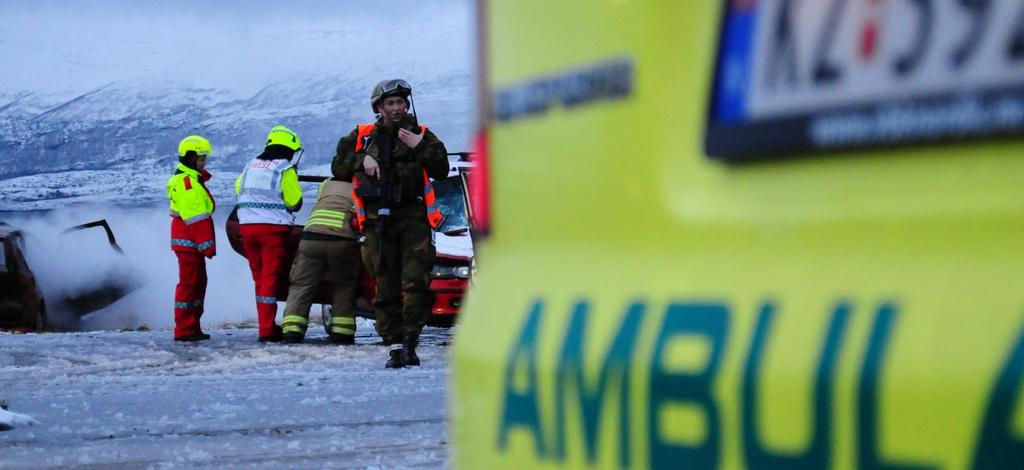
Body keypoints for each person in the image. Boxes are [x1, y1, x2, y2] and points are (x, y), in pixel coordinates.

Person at [332, 78, 449, 368]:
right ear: (379, 107)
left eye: (400, 102)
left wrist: (420, 146)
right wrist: (362, 161)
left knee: (416, 282)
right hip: (376, 223)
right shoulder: (362, 136)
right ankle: (394, 343)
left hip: (413, 220)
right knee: (384, 284)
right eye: (390, 103)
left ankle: (410, 341)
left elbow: (441, 168)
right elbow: (338, 166)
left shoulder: (421, 133)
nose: (396, 108)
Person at [235, 125, 304, 342]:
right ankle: (266, 330)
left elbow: (239, 190)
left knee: (259, 278)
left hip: (246, 228)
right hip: (272, 230)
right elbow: (294, 202)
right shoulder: (284, 168)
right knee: (270, 279)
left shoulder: (250, 165)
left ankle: (265, 324)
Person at [280, 176, 361, 344]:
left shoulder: (326, 184)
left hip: (311, 238)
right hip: (342, 240)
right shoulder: (361, 184)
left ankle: (292, 330)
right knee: (345, 283)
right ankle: (342, 332)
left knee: (302, 283)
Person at [167, 135, 216, 342]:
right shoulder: (188, 183)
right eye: (201, 158)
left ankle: (192, 326)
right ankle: (185, 329)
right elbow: (195, 217)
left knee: (197, 283)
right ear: (190, 158)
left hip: (191, 244)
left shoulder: (190, 180)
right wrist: (207, 245)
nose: (204, 162)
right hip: (190, 244)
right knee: (190, 285)